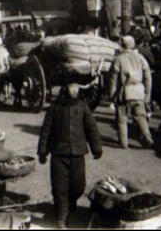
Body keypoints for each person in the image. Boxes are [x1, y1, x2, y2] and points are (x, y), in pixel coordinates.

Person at [38, 77, 103, 229]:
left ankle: (70, 206)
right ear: (65, 88)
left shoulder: (82, 107)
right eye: (72, 86)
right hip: (58, 154)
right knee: (59, 187)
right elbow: (46, 131)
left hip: (78, 155)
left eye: (77, 87)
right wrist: (43, 151)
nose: (75, 89)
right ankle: (61, 217)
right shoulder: (54, 107)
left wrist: (96, 148)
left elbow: (91, 129)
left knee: (78, 186)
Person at [108, 35, 155, 149]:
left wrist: (111, 97)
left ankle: (123, 143)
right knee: (141, 117)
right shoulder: (140, 58)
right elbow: (148, 77)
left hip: (125, 93)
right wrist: (147, 94)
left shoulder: (118, 59)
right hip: (139, 92)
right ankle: (148, 138)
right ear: (133, 45)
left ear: (122, 45)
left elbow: (113, 80)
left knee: (122, 118)